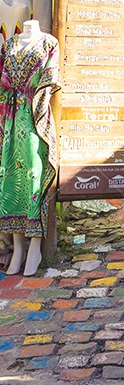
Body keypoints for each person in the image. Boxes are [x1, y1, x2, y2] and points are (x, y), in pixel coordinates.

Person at [0, 20, 60, 276]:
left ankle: (35, 245)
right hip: (10, 120)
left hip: (34, 119)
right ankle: (17, 246)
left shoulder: (49, 43)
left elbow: (49, 82)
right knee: (9, 179)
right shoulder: (9, 45)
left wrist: (37, 114)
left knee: (33, 178)